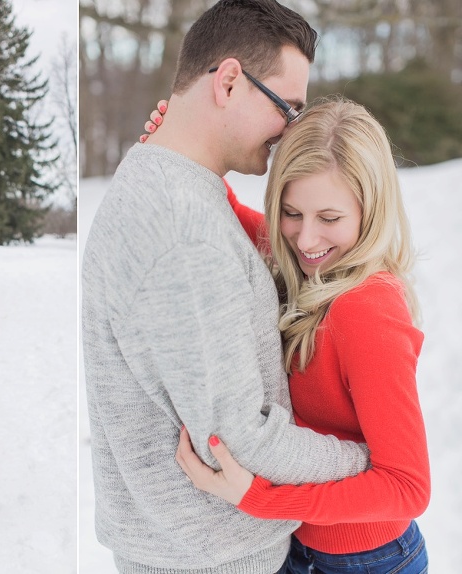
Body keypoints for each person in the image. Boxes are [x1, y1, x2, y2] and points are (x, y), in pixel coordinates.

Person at [82, 1, 372, 572]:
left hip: (190, 543)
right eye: (287, 107)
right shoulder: (183, 231)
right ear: (231, 81)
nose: (292, 128)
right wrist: (368, 461)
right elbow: (240, 438)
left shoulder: (168, 180)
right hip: (208, 554)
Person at [174, 98, 431, 574]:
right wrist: (179, 144)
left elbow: (407, 487)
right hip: (301, 547)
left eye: (330, 219)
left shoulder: (367, 309)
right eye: (291, 213)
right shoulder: (306, 264)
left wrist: (262, 498)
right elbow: (237, 218)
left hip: (370, 562)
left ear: (370, 211)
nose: (306, 240)